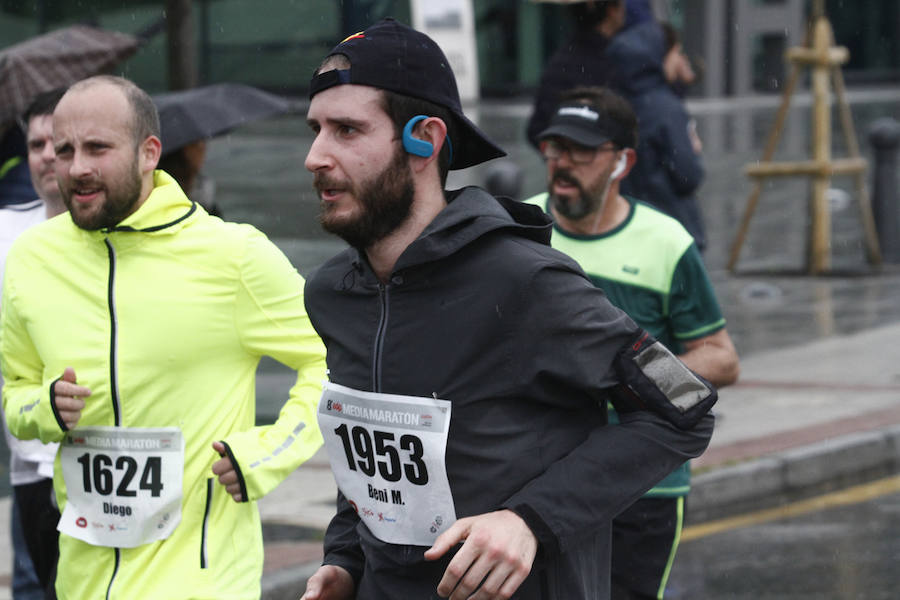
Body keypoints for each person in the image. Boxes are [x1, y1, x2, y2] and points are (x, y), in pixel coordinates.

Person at [299, 18, 717, 600]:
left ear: (426, 138)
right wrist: (344, 559)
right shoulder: (331, 294)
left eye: (347, 130)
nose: (315, 156)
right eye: (316, 129)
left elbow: (685, 409)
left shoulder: (525, 281)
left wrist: (529, 521)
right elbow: (370, 455)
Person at [0, 75, 327, 600]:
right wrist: (44, 408)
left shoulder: (233, 256)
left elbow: (335, 361)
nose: (77, 166)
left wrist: (268, 452)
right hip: (80, 582)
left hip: (201, 583)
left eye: (97, 148)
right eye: (64, 150)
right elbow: (14, 393)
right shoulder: (30, 261)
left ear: (149, 152)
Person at [525, 87, 739, 599]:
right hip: (538, 477)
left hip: (643, 483)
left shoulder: (666, 242)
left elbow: (721, 357)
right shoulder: (519, 228)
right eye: (556, 149)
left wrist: (632, 378)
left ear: (623, 161)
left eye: (581, 151)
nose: (563, 164)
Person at [0, 87, 67, 599]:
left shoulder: (122, 235)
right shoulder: (6, 231)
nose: (46, 155)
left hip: (98, 450)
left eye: (58, 143)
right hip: (29, 455)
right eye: (35, 144)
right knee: (31, 583)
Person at [605, 20, 707, 250]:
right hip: (672, 228)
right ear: (658, 57)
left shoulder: (611, 104)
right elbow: (688, 176)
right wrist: (693, 150)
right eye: (677, 52)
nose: (679, 59)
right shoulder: (665, 108)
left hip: (625, 227)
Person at [525, 0, 627, 148]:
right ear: (612, 11)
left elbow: (537, 128)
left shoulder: (564, 59)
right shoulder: (617, 61)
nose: (626, 10)